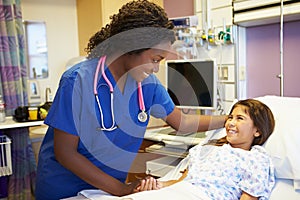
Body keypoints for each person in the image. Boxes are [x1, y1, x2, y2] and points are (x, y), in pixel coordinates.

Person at [35, 1, 227, 199]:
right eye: (155, 59)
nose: (156, 68)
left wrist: (230, 118)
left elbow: (183, 122)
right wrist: (120, 189)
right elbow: (65, 153)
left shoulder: (148, 85)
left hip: (106, 190)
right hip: (64, 189)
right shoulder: (78, 80)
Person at [139, 99, 276, 200]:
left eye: (239, 118)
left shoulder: (255, 158)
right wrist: (158, 185)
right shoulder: (207, 149)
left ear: (257, 130)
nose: (231, 123)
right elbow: (183, 181)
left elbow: (249, 197)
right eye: (230, 118)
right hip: (181, 191)